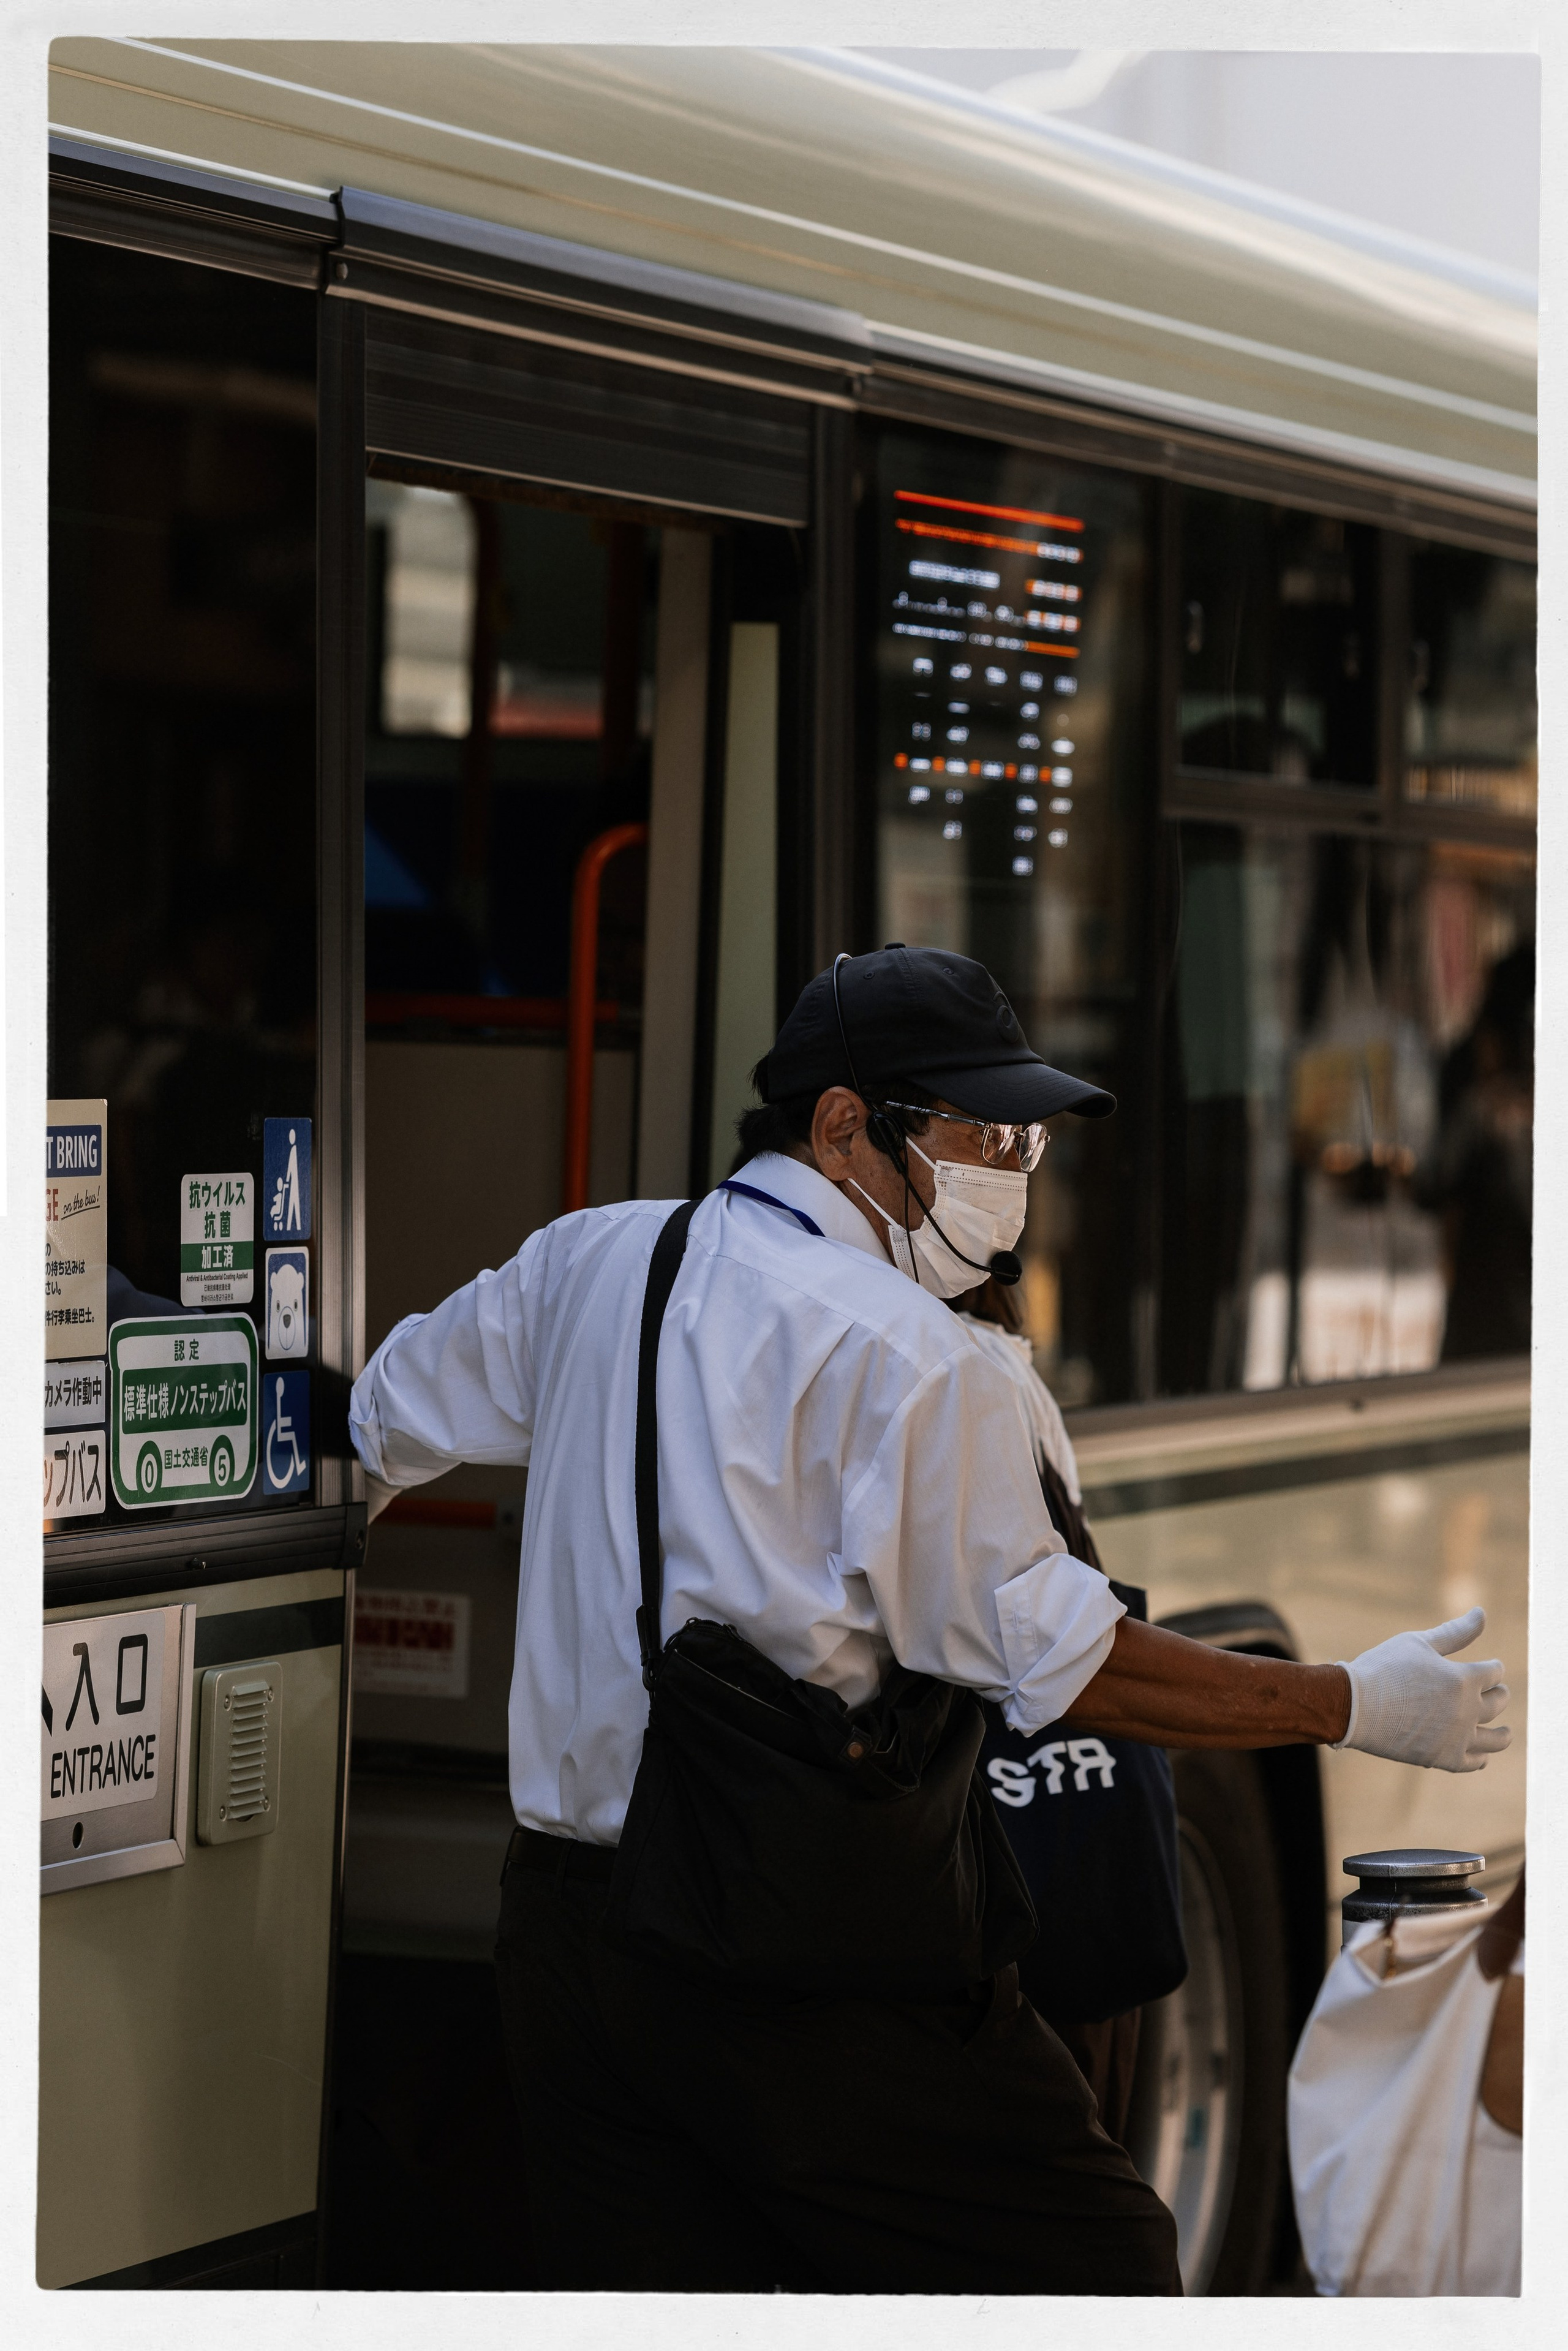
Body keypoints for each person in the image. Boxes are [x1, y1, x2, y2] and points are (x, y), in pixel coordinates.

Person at [349, 944, 1510, 2295]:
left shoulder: (589, 1258)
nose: (1013, 1171)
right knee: (1102, 2268)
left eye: (1025, 1141)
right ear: (845, 1126)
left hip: (564, 1941)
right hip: (795, 1940)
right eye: (983, 1133)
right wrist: (1350, 1703)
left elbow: (383, 1420)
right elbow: (1065, 1662)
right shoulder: (907, 1353)